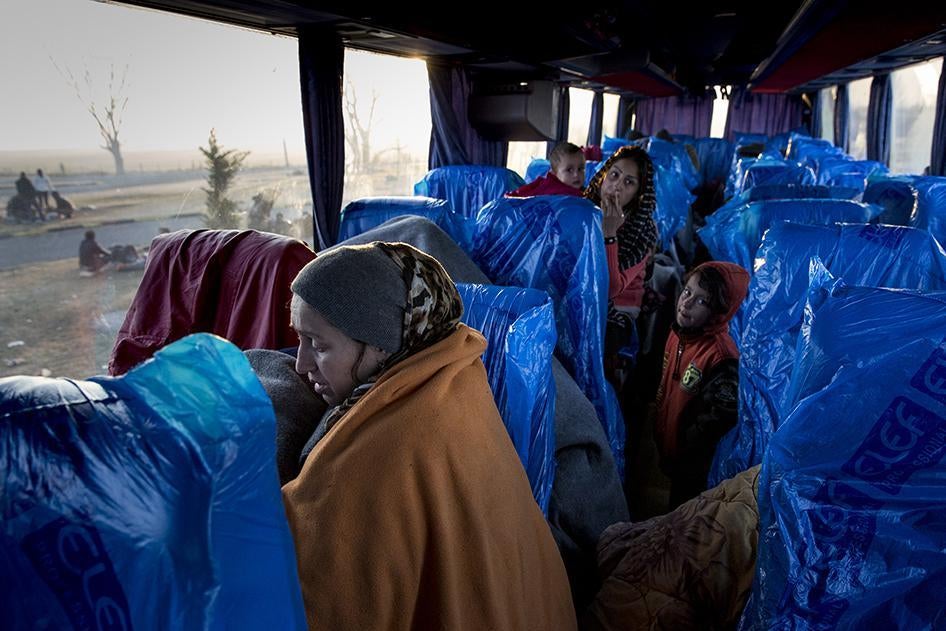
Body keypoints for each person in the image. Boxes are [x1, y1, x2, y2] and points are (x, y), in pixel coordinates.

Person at [281, 242, 577, 630]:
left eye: (319, 346)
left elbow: (308, 601)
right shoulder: (457, 376)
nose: (301, 364)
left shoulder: (375, 456)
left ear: (380, 345)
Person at [655, 261, 749, 509]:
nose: (686, 303)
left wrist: (686, 446)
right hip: (674, 451)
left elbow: (720, 416)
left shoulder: (721, 357)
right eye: (687, 292)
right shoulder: (679, 334)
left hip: (693, 466)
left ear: (719, 312)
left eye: (702, 302)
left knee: (683, 510)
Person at [584, 145, 659, 377]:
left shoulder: (643, 231)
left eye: (629, 182)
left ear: (637, 194)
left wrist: (609, 234)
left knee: (597, 338)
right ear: (603, 176)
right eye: (614, 175)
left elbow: (611, 289)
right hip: (582, 293)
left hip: (619, 308)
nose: (617, 185)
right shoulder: (582, 210)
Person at [507, 141, 585, 197]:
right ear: (554, 173)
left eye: (580, 169)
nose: (576, 174)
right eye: (569, 170)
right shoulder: (555, 191)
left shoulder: (576, 189)